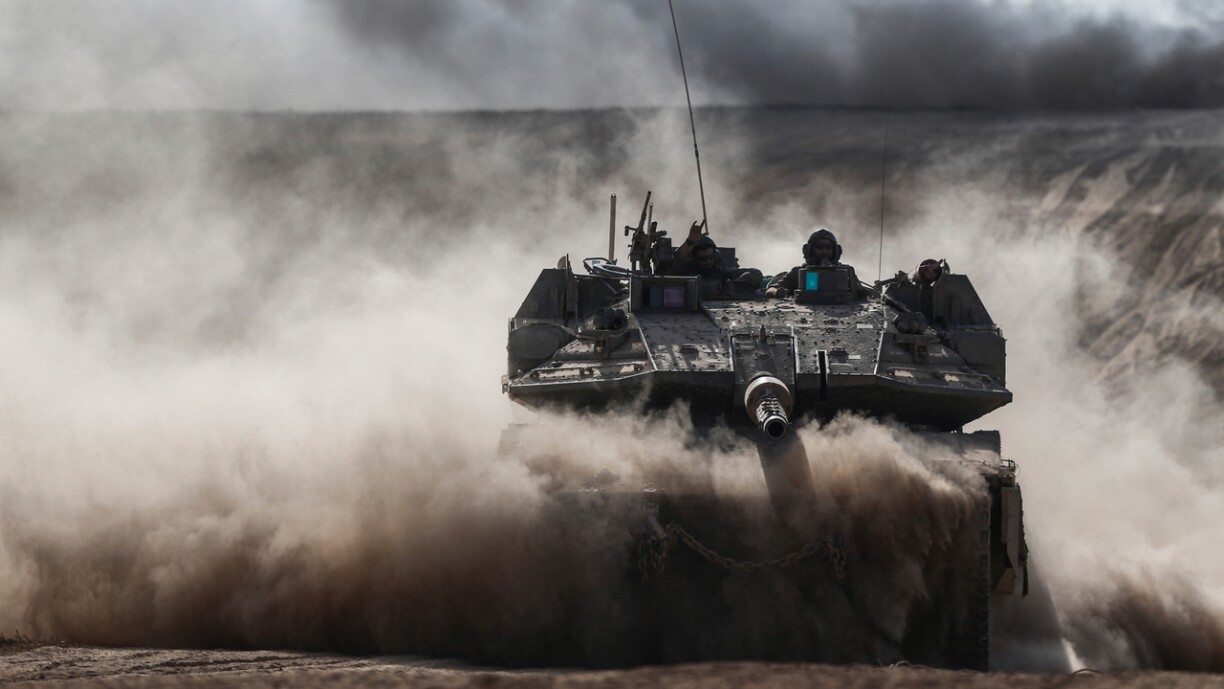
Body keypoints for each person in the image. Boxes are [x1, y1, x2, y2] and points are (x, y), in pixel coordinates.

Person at [765, 228, 863, 298]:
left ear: (835, 251)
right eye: (819, 247)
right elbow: (771, 289)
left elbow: (862, 292)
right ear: (810, 250)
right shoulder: (799, 273)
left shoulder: (845, 273)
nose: (824, 251)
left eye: (828, 248)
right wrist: (776, 292)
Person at [668, 221, 763, 290]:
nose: (708, 262)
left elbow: (755, 273)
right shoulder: (685, 273)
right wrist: (690, 241)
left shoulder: (721, 273)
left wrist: (737, 283)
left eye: (711, 257)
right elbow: (678, 260)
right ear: (694, 259)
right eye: (703, 259)